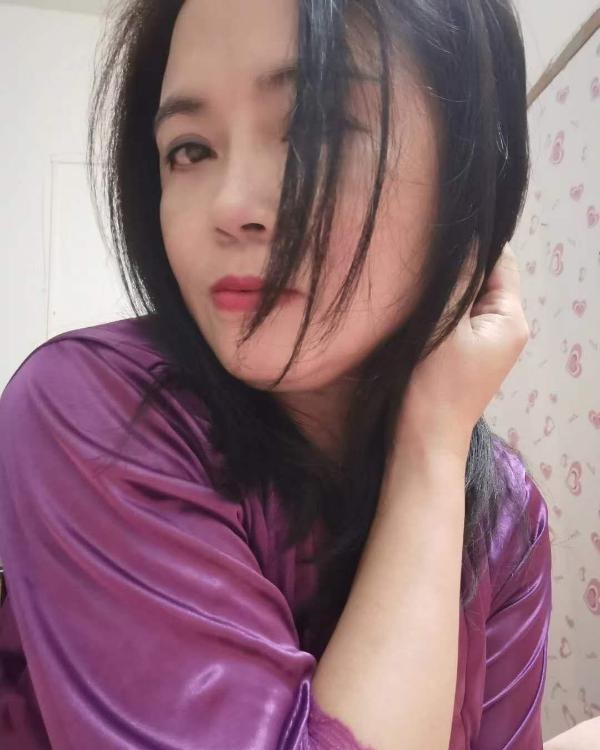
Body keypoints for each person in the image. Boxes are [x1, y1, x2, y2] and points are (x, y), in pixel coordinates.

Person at [0, 0, 555, 748]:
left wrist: (437, 444)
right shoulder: (91, 412)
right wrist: (430, 449)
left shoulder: (505, 517)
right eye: (189, 149)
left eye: (316, 128)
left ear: (469, 176)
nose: (230, 206)